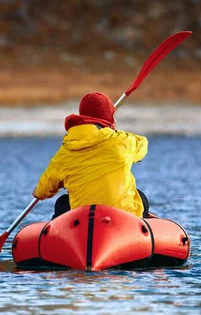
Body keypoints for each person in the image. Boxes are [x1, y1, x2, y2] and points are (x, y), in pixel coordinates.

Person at [32, 91, 150, 219]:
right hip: (122, 219)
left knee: (62, 203)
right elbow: (143, 144)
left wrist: (38, 192)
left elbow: (45, 187)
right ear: (110, 119)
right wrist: (114, 131)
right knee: (140, 197)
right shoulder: (122, 142)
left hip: (83, 220)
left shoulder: (66, 150)